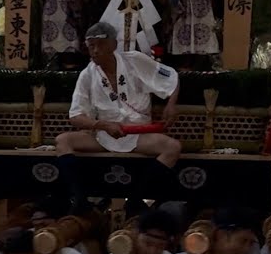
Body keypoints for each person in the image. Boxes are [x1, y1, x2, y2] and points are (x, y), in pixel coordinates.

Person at [54, 21, 181, 211]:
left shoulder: (135, 60)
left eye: (100, 45)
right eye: (91, 47)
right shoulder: (87, 75)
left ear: (113, 45)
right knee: (62, 141)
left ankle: (136, 199)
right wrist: (102, 125)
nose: (95, 51)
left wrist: (171, 104)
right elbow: (75, 116)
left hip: (138, 134)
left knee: (173, 147)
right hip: (103, 135)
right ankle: (80, 200)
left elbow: (171, 78)